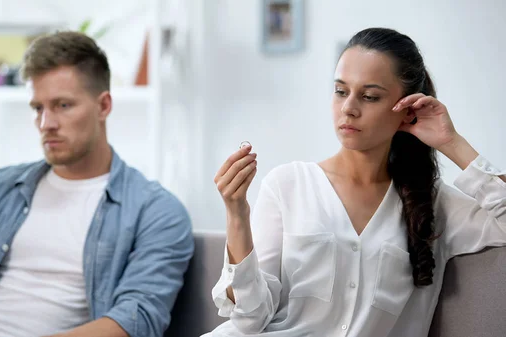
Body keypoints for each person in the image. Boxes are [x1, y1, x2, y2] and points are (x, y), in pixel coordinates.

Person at [206, 27, 506, 337]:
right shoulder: (288, 185)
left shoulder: (435, 205)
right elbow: (249, 319)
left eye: (370, 96)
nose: (348, 107)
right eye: (340, 91)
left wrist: (452, 142)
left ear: (407, 108)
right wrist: (237, 213)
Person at [0, 31, 194, 337]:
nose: (46, 124)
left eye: (63, 106)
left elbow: (135, 321)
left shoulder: (155, 211)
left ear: (104, 106)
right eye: (37, 108)